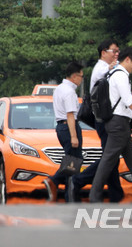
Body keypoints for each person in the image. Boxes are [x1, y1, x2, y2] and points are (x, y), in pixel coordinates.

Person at [89, 47, 132, 203]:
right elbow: (128, 101)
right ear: (128, 59)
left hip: (120, 124)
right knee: (108, 160)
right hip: (118, 123)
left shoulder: (115, 74)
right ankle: (94, 194)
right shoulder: (120, 75)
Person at [68, 39, 124, 202]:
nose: (116, 54)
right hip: (100, 121)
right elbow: (103, 75)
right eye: (114, 51)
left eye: (118, 51)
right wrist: (114, 67)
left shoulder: (107, 68)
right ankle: (77, 180)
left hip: (105, 120)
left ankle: (116, 194)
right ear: (103, 52)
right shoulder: (101, 68)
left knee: (111, 158)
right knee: (110, 158)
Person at [43, 62, 84, 202]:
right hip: (69, 127)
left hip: (61, 127)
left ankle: (67, 193)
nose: (81, 79)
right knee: (74, 162)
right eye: (81, 76)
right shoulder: (69, 92)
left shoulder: (60, 88)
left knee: (71, 160)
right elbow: (70, 114)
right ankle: (55, 182)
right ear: (74, 76)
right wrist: (74, 136)